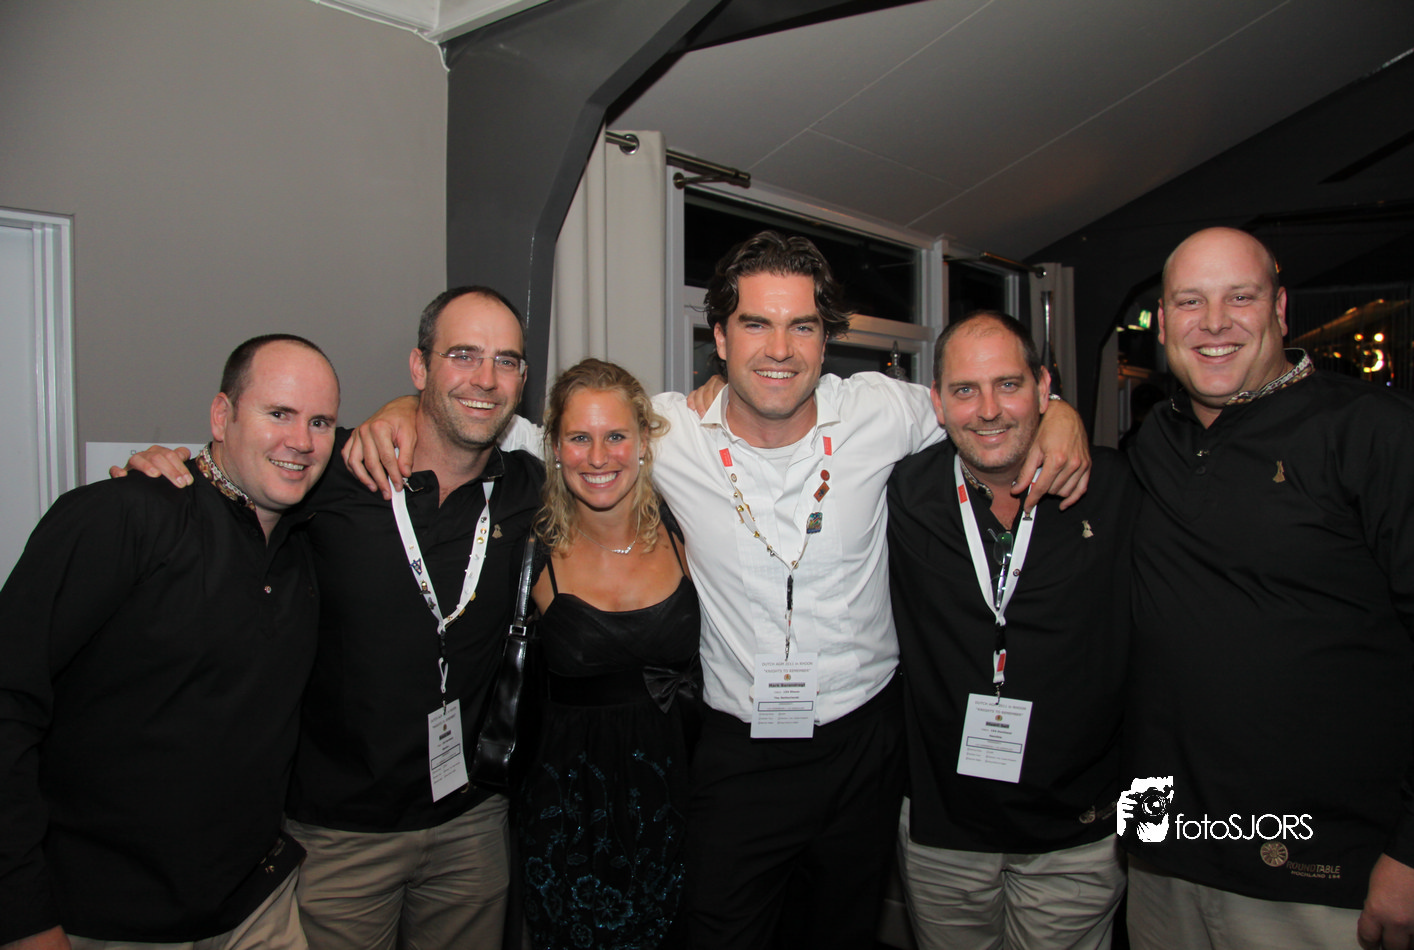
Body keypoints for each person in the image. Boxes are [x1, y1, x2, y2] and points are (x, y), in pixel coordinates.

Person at [345, 231, 1092, 950]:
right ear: (722, 338)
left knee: (838, 935)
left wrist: (1058, 415)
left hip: (865, 745)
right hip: (738, 754)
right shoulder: (667, 432)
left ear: (824, 339)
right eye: (756, 324)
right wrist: (400, 411)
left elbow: (984, 409)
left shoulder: (880, 410)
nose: (779, 349)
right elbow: (514, 430)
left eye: (802, 326)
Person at [116, 288, 543, 950]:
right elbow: (233, 481)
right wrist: (163, 474)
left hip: (471, 827)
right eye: (462, 355)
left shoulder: (528, 488)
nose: (485, 378)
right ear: (419, 367)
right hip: (338, 836)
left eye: (506, 361)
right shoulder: (333, 469)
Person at [1122, 227, 1414, 950]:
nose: (1214, 322)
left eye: (1240, 297)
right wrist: (1056, 420)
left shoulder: (1378, 433)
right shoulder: (1154, 441)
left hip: (1322, 872)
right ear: (1161, 324)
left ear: (1280, 309)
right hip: (1162, 853)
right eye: (1189, 302)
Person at [0, 335, 340, 950]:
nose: (302, 440)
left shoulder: (304, 546)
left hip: (255, 907)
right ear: (221, 415)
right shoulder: (121, 516)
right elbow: (9, 701)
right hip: (105, 919)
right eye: (278, 413)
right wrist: (22, 916)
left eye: (321, 422)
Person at [886, 311, 1137, 950]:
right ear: (937, 403)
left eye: (1008, 384)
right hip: (944, 830)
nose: (989, 410)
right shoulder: (904, 493)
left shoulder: (1116, 490)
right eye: (965, 390)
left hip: (1081, 831)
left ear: (1043, 386)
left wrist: (1147, 823)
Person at [517, 358, 701, 950]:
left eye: (616, 435)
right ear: (555, 447)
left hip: (679, 801)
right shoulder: (531, 547)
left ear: (644, 441)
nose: (598, 457)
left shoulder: (686, 529)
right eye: (579, 438)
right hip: (569, 814)